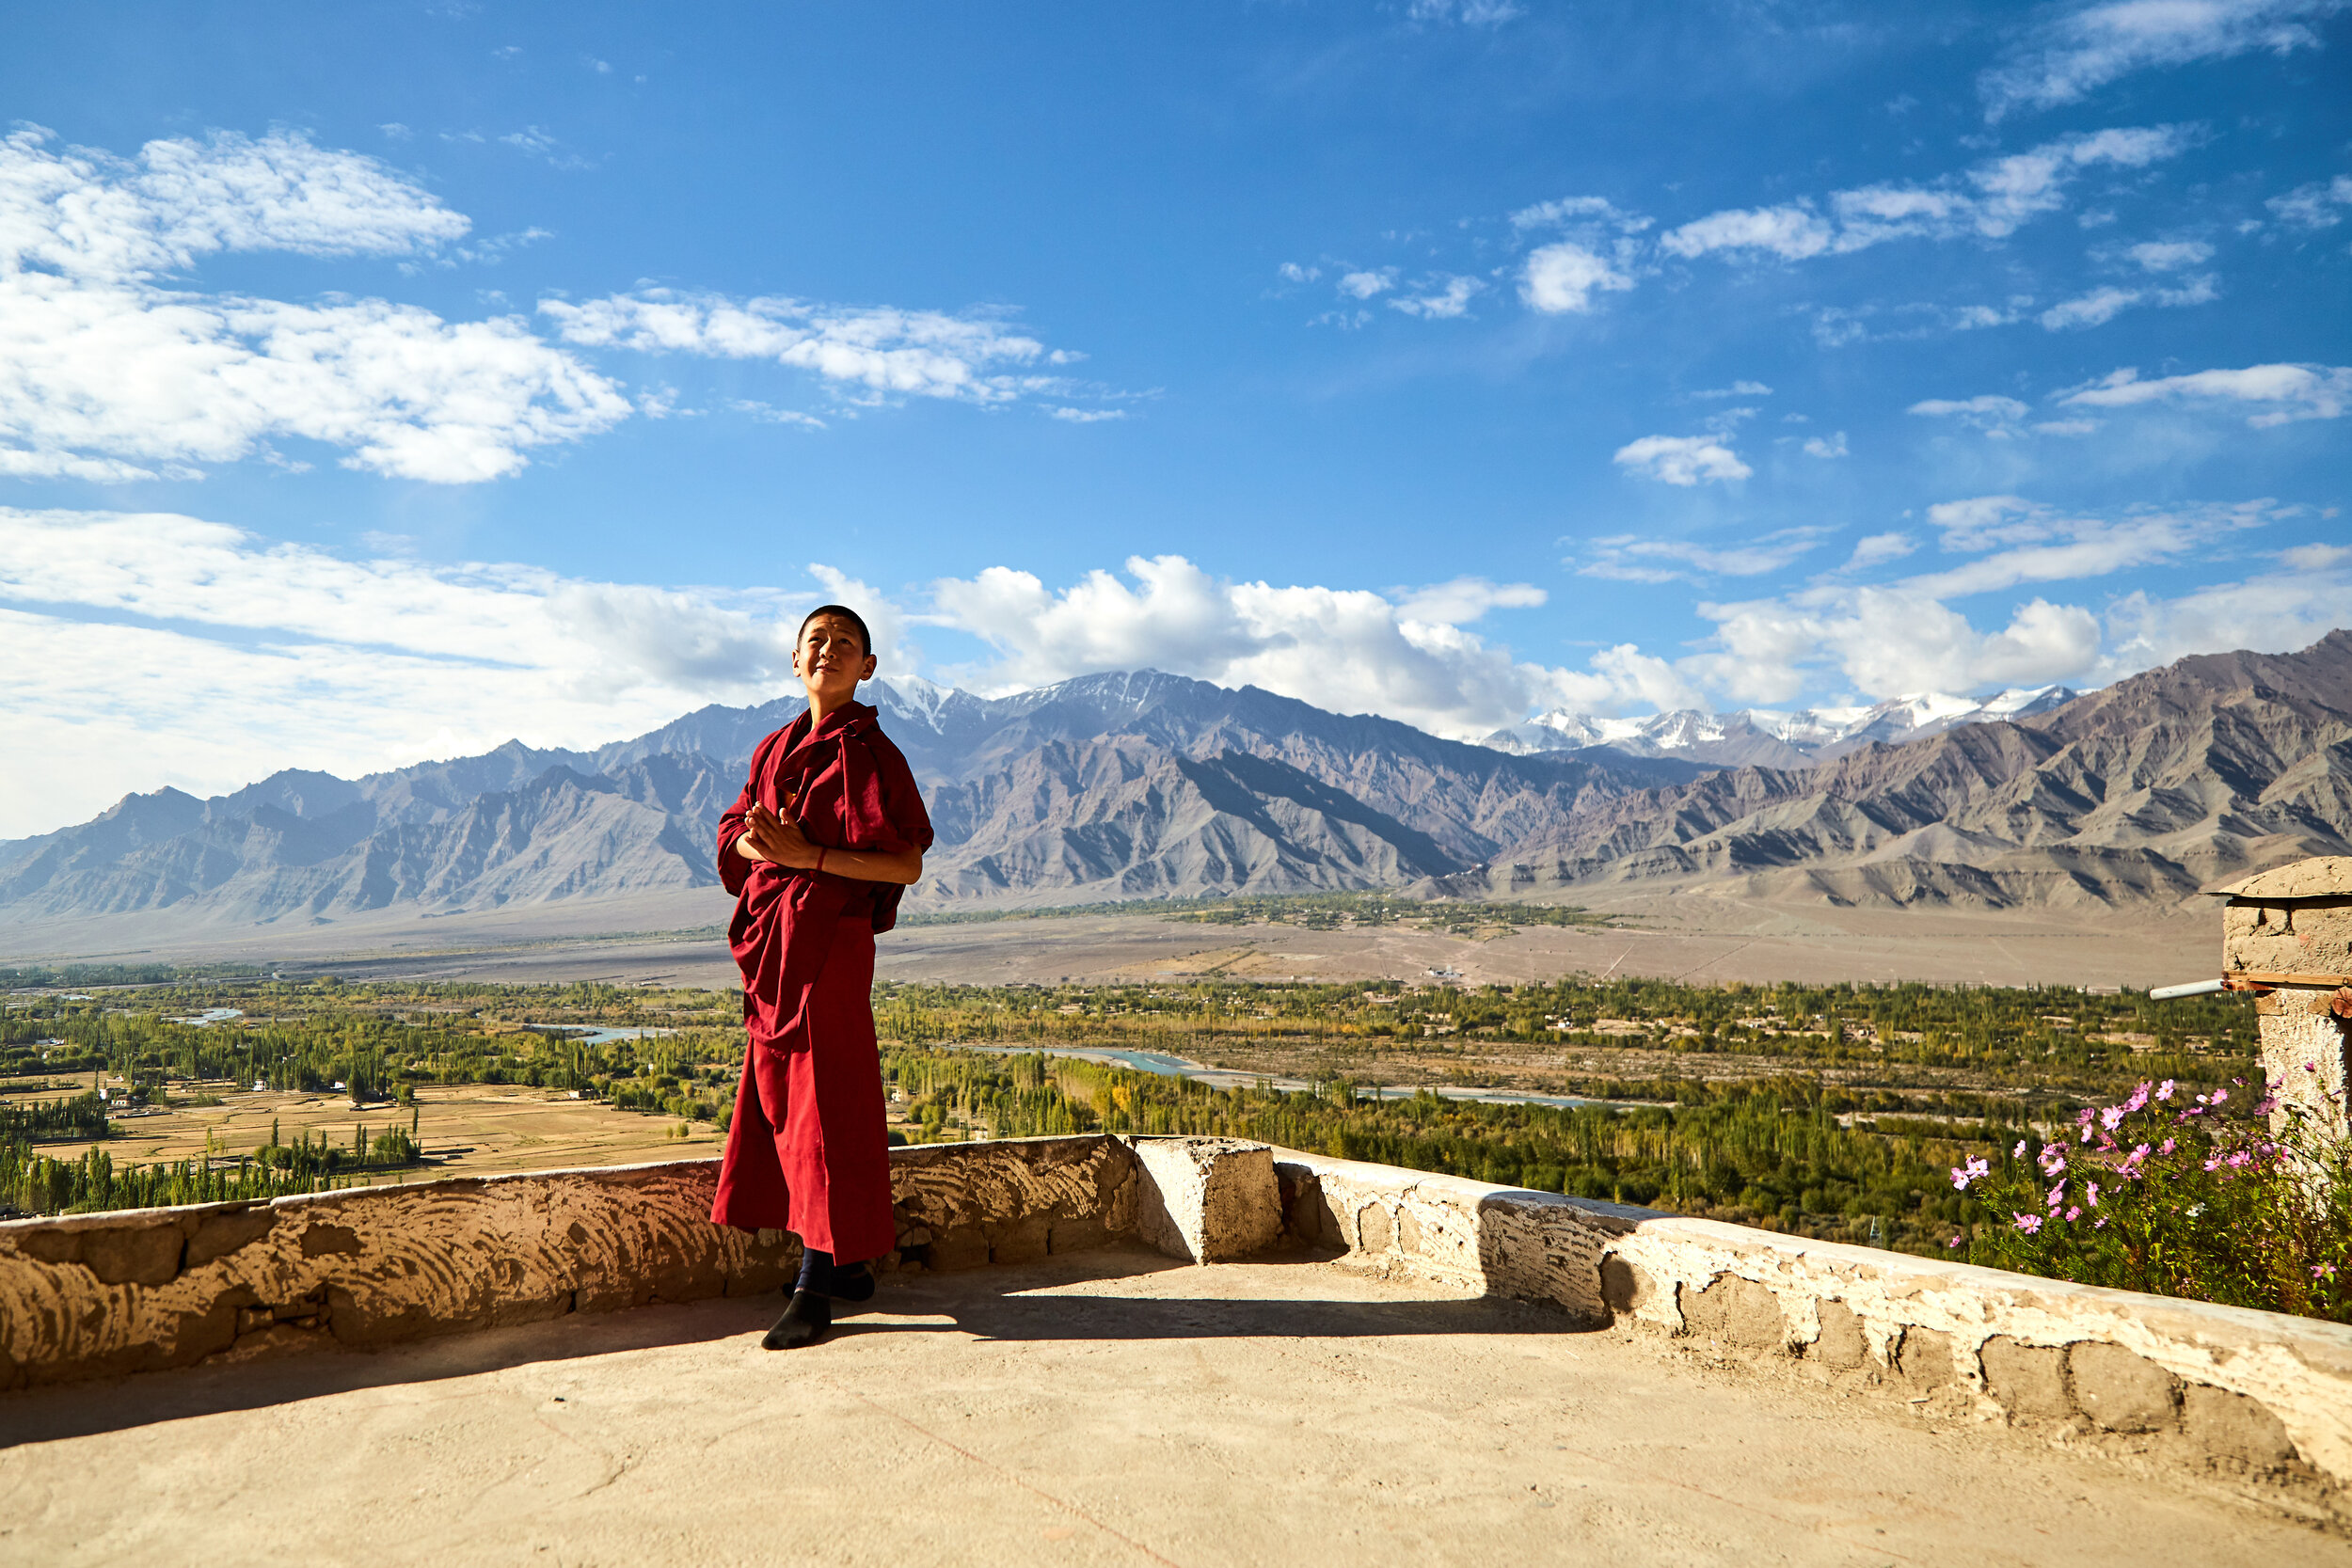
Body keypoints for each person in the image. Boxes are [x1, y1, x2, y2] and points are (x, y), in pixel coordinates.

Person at [712, 603, 932, 1349]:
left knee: (825, 1106)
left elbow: (905, 862)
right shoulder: (774, 748)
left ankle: (814, 1285)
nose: (828, 650)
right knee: (784, 1102)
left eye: (845, 643)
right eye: (816, 640)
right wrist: (760, 846)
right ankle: (845, 1263)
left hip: (831, 947)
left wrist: (810, 858)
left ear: (867, 667)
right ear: (794, 661)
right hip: (774, 945)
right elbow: (735, 839)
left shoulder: (873, 754)